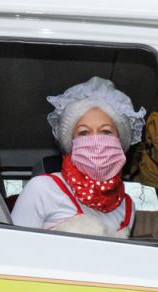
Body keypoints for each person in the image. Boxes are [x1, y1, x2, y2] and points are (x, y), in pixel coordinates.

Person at [11, 76, 145, 237]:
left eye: (106, 132)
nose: (96, 141)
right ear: (71, 142)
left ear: (120, 140)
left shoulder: (127, 206)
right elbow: (12, 251)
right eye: (83, 132)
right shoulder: (42, 189)